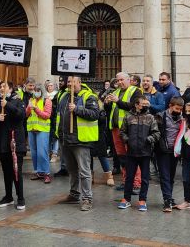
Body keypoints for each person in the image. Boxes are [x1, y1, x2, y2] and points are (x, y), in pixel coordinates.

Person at [56, 76, 99, 211]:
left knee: (84, 171)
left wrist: (77, 109)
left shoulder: (88, 96)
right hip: (65, 140)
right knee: (72, 170)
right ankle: (74, 194)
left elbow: (95, 114)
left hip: (81, 140)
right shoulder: (64, 97)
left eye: (72, 81)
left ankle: (87, 198)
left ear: (79, 82)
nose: (69, 84)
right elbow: (59, 116)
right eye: (68, 82)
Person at [117, 97, 160, 211]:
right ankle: (126, 199)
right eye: (143, 104)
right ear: (136, 105)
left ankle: (142, 200)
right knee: (129, 177)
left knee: (145, 178)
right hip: (131, 152)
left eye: (147, 104)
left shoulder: (150, 117)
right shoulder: (128, 116)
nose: (145, 106)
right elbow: (122, 132)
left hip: (145, 153)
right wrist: (128, 140)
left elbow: (156, 133)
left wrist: (148, 140)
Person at [104, 72, 143, 191]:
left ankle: (136, 183)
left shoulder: (136, 91)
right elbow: (110, 110)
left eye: (122, 80)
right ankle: (127, 181)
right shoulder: (115, 92)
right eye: (117, 80)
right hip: (116, 129)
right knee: (122, 157)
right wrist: (107, 104)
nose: (119, 82)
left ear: (128, 80)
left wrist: (118, 101)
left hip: (130, 129)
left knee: (132, 155)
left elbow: (135, 107)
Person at [0, 81, 26, 210]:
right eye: (0, 87)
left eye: (4, 86)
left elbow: (21, 116)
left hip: (15, 142)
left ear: (10, 89)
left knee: (17, 170)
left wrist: (8, 105)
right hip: (2, 143)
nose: (1, 88)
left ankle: (21, 197)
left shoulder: (17, 100)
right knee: (6, 171)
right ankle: (8, 196)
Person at [155, 97, 184, 212]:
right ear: (170, 106)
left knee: (171, 176)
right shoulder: (160, 116)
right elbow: (157, 132)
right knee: (164, 175)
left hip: (175, 151)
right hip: (163, 150)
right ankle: (167, 199)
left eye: (180, 109)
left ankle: (169, 197)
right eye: (176, 108)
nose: (178, 111)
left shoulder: (182, 118)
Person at [26, 83, 52, 183]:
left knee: (42, 152)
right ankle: (38, 171)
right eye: (35, 90)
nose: (36, 92)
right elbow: (26, 114)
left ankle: (46, 173)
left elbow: (47, 115)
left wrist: (36, 109)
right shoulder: (31, 100)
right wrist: (29, 108)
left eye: (38, 90)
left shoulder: (47, 101)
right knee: (34, 153)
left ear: (42, 91)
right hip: (31, 129)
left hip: (42, 130)